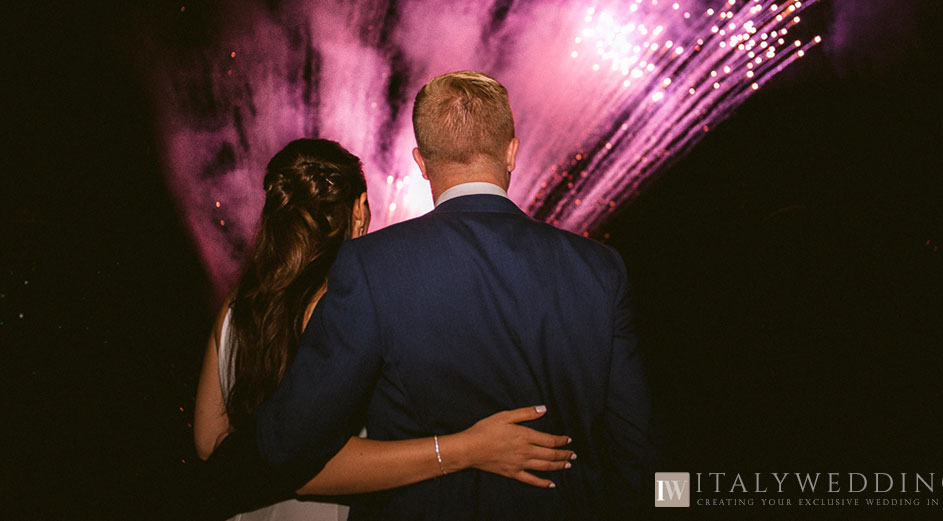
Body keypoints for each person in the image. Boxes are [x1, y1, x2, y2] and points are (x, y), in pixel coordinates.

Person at [236, 71, 657, 520]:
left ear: (421, 161)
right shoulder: (599, 268)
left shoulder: (370, 264)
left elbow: (288, 442)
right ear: (511, 152)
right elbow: (638, 448)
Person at [194, 138, 574, 519]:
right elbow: (301, 465)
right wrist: (467, 449)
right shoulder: (347, 307)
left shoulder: (236, 306)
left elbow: (210, 443)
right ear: (359, 210)